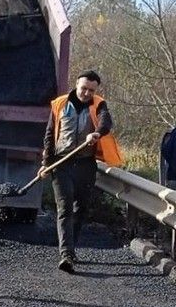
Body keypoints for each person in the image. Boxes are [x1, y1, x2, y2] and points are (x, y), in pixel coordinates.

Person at [42, 70, 123, 273]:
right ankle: (66, 255)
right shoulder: (59, 104)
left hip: (86, 164)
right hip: (61, 163)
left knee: (80, 208)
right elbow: (50, 135)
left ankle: (72, 246)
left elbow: (106, 122)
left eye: (91, 90)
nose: (86, 93)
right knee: (65, 207)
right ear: (76, 85)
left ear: (96, 90)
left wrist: (96, 133)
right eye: (83, 88)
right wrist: (45, 163)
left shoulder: (98, 104)